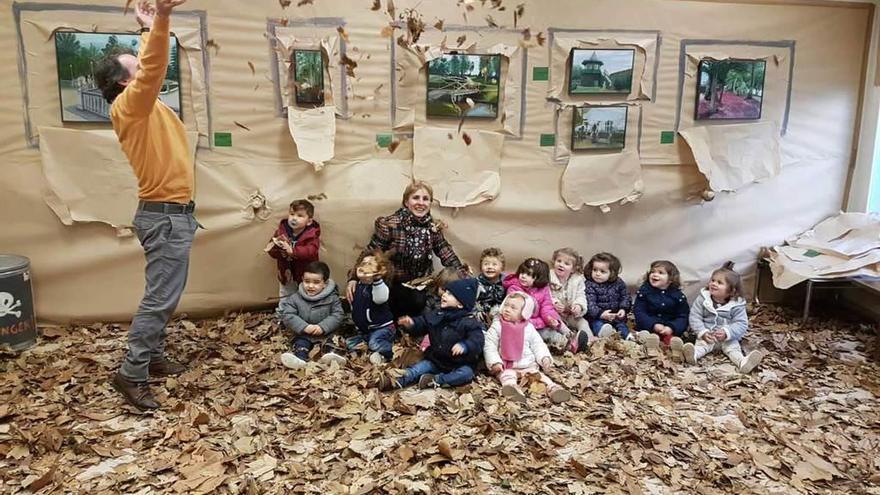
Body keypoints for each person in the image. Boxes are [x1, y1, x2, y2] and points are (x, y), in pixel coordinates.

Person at [95, 0, 191, 410]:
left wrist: (149, 28)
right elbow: (153, 70)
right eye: (133, 66)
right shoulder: (130, 106)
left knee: (163, 293)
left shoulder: (142, 106)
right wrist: (164, 19)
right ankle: (131, 373)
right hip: (164, 217)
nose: (144, 68)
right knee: (160, 299)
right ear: (123, 84)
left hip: (170, 215)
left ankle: (151, 358)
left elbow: (149, 67)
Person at [346, 181, 463, 318]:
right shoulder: (390, 224)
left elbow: (446, 252)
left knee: (422, 300)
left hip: (419, 284)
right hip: (393, 283)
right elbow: (371, 252)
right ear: (406, 202)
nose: (421, 203)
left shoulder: (433, 228)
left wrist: (464, 277)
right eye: (416, 198)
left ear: (430, 203)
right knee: (391, 300)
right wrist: (354, 277)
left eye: (425, 199)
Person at [378, 278, 484, 390]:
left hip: (459, 364)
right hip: (436, 360)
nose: (444, 295)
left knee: (466, 374)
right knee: (416, 369)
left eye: (450, 294)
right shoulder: (438, 314)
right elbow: (423, 322)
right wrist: (412, 324)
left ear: (460, 304)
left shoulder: (470, 322)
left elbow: (478, 340)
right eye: (446, 292)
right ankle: (396, 381)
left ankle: (436, 381)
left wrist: (465, 345)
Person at [484, 292, 571, 404]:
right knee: (507, 377)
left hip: (527, 364)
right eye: (506, 305)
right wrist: (494, 362)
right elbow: (489, 345)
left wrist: (544, 357)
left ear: (524, 313)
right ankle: (513, 390)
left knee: (539, 377)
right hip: (506, 366)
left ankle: (553, 389)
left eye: (513, 308)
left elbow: (537, 344)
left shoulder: (528, 328)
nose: (507, 309)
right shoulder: (497, 326)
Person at [683, 262, 764, 373]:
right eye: (713, 280)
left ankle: (742, 363)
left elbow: (741, 323)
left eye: (719, 283)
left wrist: (727, 332)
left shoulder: (736, 305)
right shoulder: (703, 299)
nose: (714, 284)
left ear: (731, 291)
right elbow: (695, 316)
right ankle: (692, 355)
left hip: (728, 338)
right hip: (708, 335)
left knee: (733, 350)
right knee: (702, 346)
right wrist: (702, 332)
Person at [278, 261, 346, 369]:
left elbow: (338, 315)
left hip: (326, 333)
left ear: (325, 283)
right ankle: (299, 359)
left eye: (316, 282)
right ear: (302, 279)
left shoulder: (332, 298)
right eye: (307, 281)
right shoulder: (295, 298)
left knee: (332, 341)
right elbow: (288, 315)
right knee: (300, 344)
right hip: (304, 334)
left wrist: (323, 327)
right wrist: (304, 327)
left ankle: (332, 356)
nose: (310, 286)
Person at [502, 258, 568, 352]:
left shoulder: (543, 289)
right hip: (522, 324)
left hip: (538, 322)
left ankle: (568, 335)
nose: (523, 276)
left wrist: (550, 320)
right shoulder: (514, 289)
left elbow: (547, 307)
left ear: (538, 278)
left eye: (528, 274)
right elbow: (518, 314)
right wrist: (537, 323)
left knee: (554, 322)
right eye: (522, 272)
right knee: (544, 334)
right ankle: (563, 344)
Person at [347, 250, 396, 365]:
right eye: (363, 263)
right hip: (365, 331)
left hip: (382, 328)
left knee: (374, 343)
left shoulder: (378, 286)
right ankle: (375, 354)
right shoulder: (358, 285)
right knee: (350, 343)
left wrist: (377, 279)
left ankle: (392, 351)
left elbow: (381, 298)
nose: (365, 267)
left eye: (370, 265)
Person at [264, 199, 321, 301]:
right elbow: (272, 253)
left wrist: (293, 251)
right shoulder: (281, 232)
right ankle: (284, 313)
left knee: (305, 296)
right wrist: (277, 248)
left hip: (305, 274)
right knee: (286, 295)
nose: (294, 218)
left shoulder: (311, 235)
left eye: (300, 216)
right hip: (286, 272)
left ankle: (304, 313)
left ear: (309, 221)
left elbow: (312, 251)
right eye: (292, 214)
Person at [632, 260, 690, 354]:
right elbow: (639, 311)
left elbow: (683, 316)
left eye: (660, 273)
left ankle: (675, 351)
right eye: (652, 272)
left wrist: (672, 327)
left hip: (668, 328)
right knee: (647, 336)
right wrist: (653, 324)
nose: (655, 275)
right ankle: (650, 347)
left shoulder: (678, 296)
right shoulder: (645, 292)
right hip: (649, 327)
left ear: (670, 279)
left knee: (671, 340)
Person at [548, 247, 591, 352]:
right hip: (555, 314)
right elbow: (545, 294)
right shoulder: (548, 276)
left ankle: (589, 340)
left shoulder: (577, 280)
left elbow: (581, 295)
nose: (561, 265)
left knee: (583, 323)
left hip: (570, 313)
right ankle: (570, 338)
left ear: (573, 269)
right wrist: (554, 303)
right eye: (559, 261)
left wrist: (578, 306)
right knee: (556, 325)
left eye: (566, 263)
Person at [584, 252, 631, 339]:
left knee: (621, 325)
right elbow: (589, 303)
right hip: (597, 317)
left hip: (615, 315)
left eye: (602, 271)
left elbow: (625, 296)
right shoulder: (589, 285)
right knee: (597, 325)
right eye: (595, 270)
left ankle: (628, 337)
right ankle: (604, 335)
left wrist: (623, 309)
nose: (597, 274)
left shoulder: (618, 282)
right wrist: (600, 314)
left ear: (612, 273)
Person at [474, 247, 507, 325]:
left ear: (502, 267)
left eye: (494, 264)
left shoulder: (506, 282)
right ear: (481, 267)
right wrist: (477, 311)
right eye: (486, 264)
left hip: (500, 314)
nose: (490, 267)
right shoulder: (477, 283)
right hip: (481, 316)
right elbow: (471, 300)